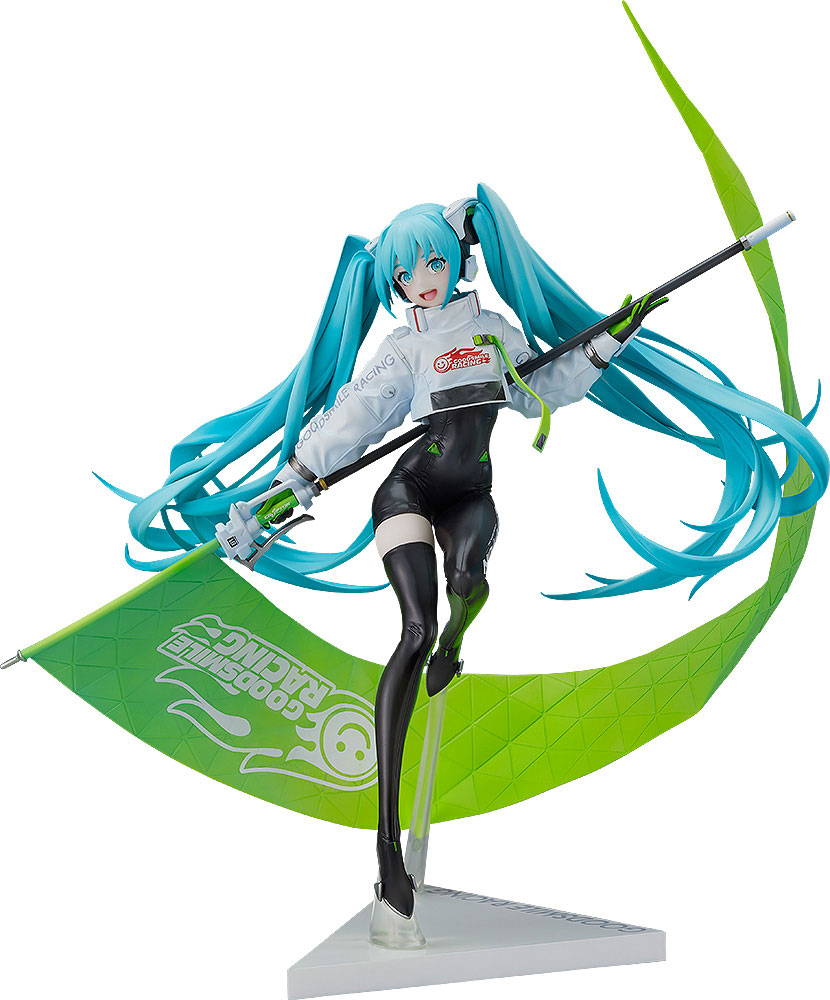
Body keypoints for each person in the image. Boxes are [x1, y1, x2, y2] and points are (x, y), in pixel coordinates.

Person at [119, 184, 827, 919]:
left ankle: (455, 643)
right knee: (413, 630)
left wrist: (611, 338)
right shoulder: (403, 350)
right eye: (406, 273)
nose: (422, 279)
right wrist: (286, 487)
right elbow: (355, 419)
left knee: (469, 582)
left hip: (470, 495)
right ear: (395, 283)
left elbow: (543, 387)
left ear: (456, 257)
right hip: (407, 491)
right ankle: (387, 843)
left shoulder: (493, 332)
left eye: (433, 261)